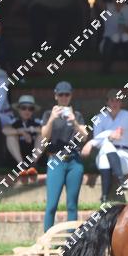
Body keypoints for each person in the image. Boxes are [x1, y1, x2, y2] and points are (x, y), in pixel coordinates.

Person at [40, 81, 88, 232]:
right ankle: (47, 239)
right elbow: (44, 137)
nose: (64, 97)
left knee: (72, 205)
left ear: (71, 96)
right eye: (61, 94)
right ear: (56, 96)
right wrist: (51, 119)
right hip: (56, 160)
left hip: (74, 161)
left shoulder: (77, 115)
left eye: (67, 94)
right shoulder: (48, 114)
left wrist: (74, 122)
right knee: (51, 204)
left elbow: (84, 136)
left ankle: (71, 241)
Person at [81, 90, 128, 204]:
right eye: (112, 100)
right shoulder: (99, 118)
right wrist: (106, 137)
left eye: (118, 100)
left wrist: (91, 142)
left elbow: (117, 134)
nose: (115, 103)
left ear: (121, 102)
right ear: (107, 102)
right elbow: (102, 140)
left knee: (106, 146)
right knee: (106, 147)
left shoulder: (127, 115)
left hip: (125, 156)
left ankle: (104, 197)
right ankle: (120, 181)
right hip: (104, 155)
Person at [3, 94, 43, 176]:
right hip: (16, 158)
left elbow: (47, 131)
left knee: (43, 135)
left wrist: (30, 129)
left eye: (30, 109)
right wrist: (20, 132)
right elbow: (5, 130)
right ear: (19, 109)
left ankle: (33, 165)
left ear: (33, 111)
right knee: (10, 136)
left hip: (34, 157)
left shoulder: (37, 122)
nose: (27, 111)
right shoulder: (13, 121)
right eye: (23, 108)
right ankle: (21, 166)